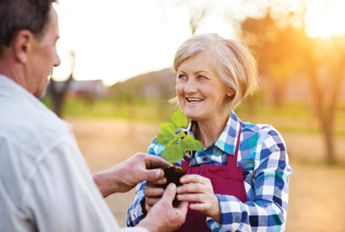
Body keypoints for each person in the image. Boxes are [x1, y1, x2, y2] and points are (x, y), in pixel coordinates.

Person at [0, 0, 188, 231]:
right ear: (23, 46)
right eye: (54, 42)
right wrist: (153, 225)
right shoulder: (42, 137)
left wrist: (111, 179)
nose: (58, 60)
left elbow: (31, 198)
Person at [127, 33, 292, 231]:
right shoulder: (165, 145)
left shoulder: (262, 143)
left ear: (230, 87)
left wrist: (217, 207)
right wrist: (146, 207)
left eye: (201, 77)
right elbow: (132, 222)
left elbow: (274, 221)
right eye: (182, 76)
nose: (188, 88)